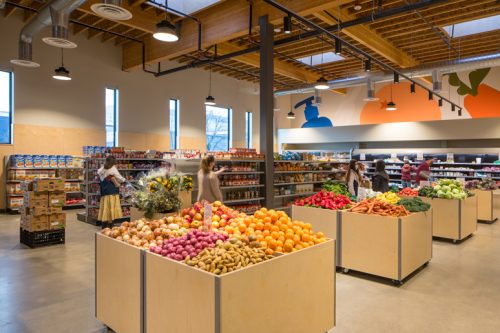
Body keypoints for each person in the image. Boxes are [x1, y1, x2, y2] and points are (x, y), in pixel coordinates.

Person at [98, 156, 125, 229]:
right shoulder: (113, 169)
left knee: (105, 208)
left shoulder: (101, 169)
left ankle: (104, 225)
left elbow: (101, 176)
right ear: (113, 163)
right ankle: (110, 225)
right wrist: (124, 180)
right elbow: (120, 178)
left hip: (104, 191)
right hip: (112, 191)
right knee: (111, 208)